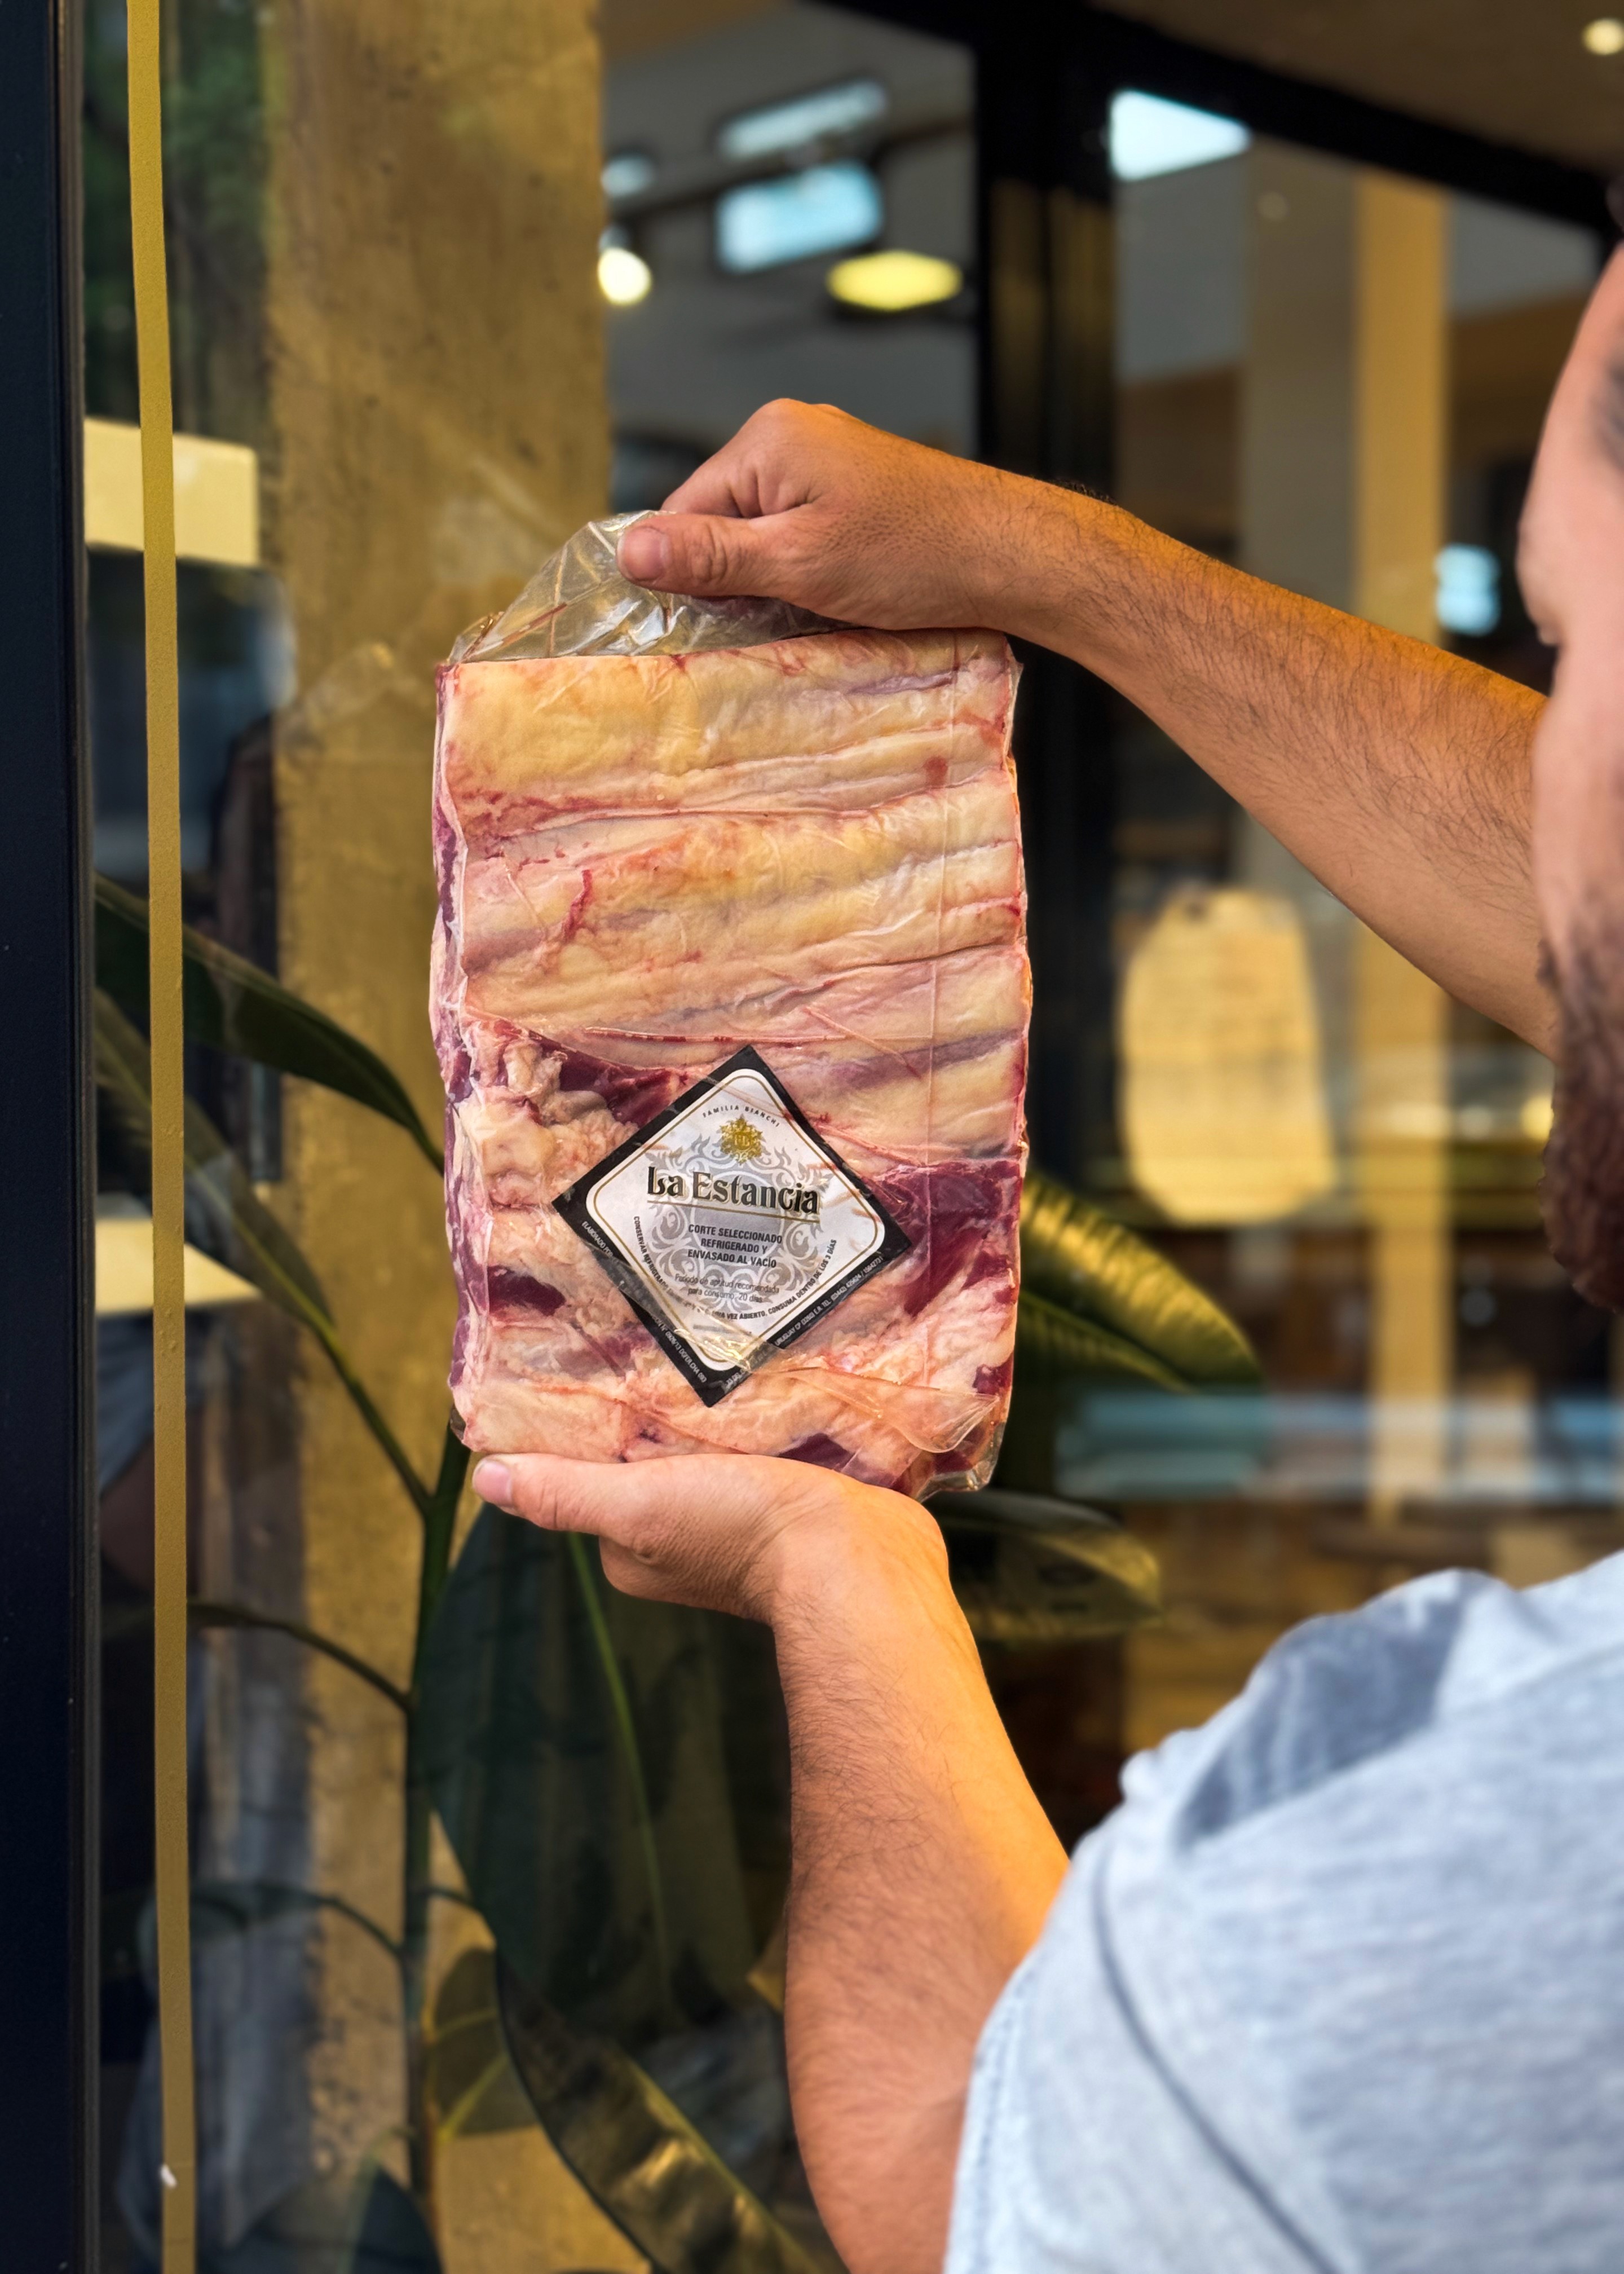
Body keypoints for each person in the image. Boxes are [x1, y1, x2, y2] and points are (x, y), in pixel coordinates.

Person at [470, 249, 1624, 2272]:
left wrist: (839, 1569)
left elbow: (970, 2177)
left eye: (1565, 644)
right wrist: (1043, 563)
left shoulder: (1465, 1845)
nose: (1552, 756)